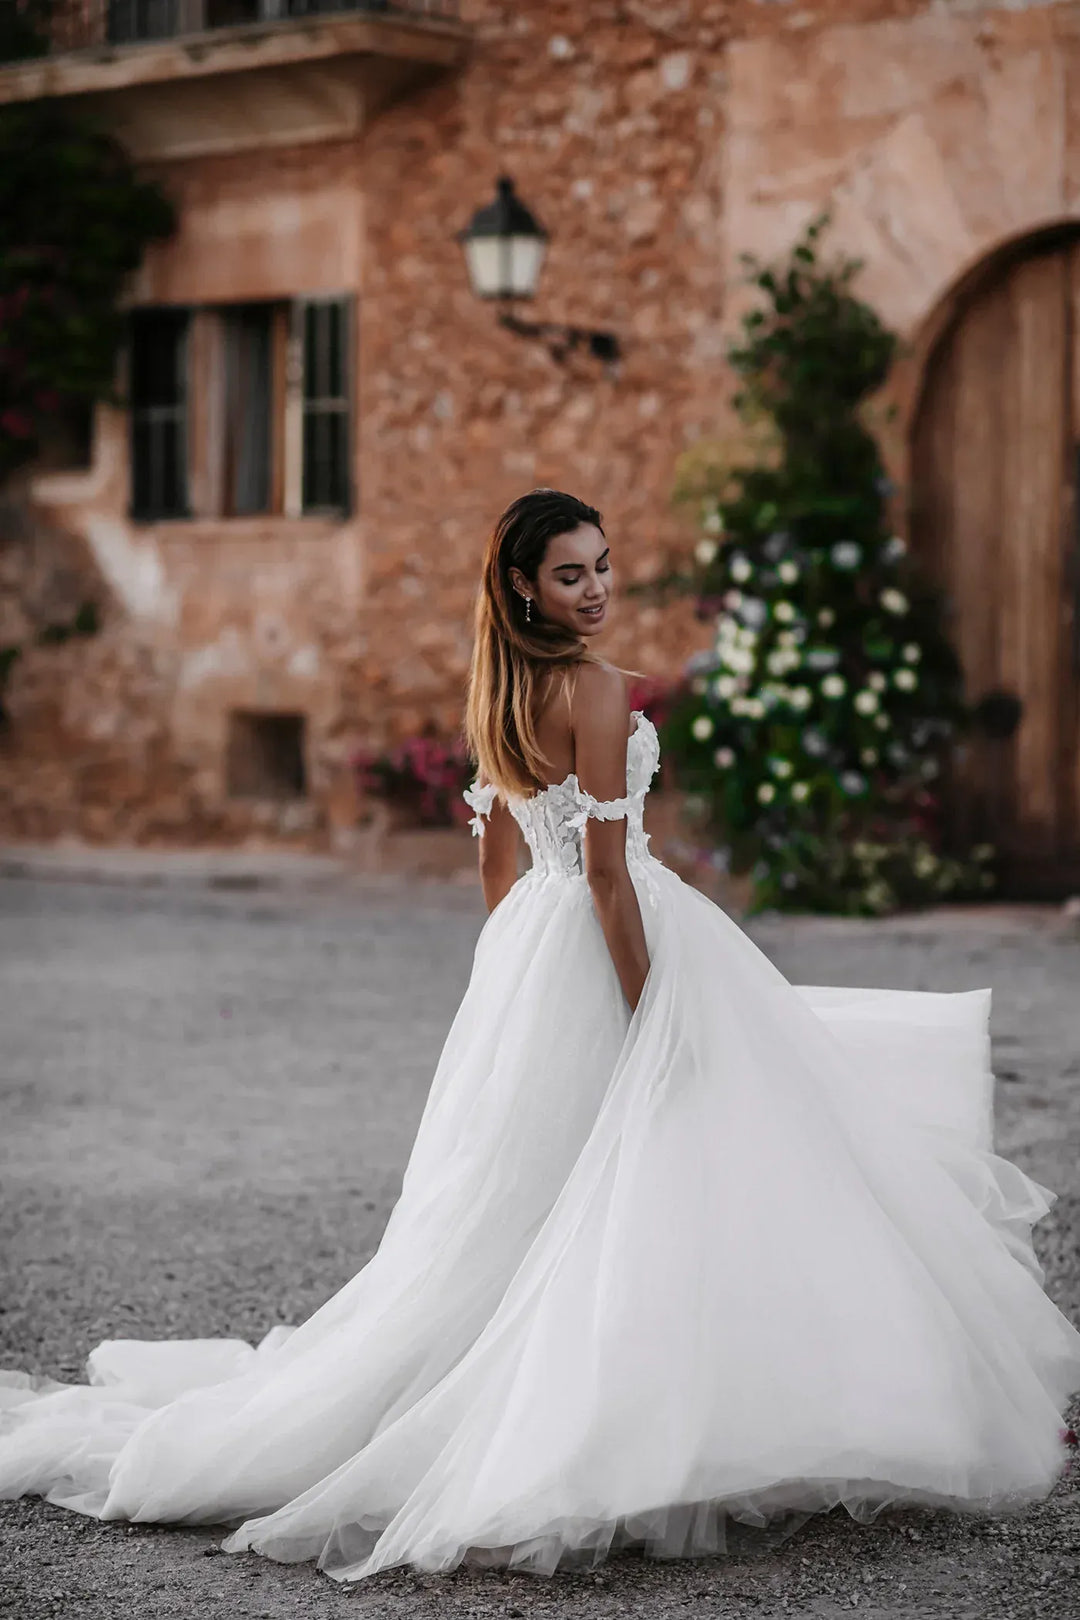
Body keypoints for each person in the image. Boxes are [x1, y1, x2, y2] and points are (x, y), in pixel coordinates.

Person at [1, 488, 1078, 1581]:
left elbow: (497, 862)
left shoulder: (504, 690)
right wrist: (650, 1011)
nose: (598, 588)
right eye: (572, 574)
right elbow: (611, 877)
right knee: (687, 1167)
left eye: (604, 565)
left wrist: (518, 976)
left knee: (538, 1203)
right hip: (617, 938)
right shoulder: (597, 692)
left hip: (536, 947)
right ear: (524, 584)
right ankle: (654, 1422)